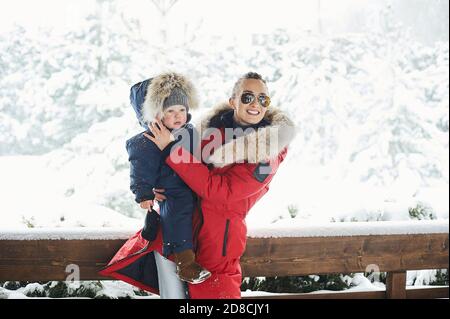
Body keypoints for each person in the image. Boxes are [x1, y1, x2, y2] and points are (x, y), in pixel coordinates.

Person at [145, 72, 297, 299]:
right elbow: (182, 167)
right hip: (179, 237)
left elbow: (221, 192)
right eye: (247, 97)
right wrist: (157, 185)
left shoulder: (268, 152)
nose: (256, 104)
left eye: (263, 99)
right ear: (233, 101)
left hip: (218, 247)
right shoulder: (211, 130)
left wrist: (172, 152)